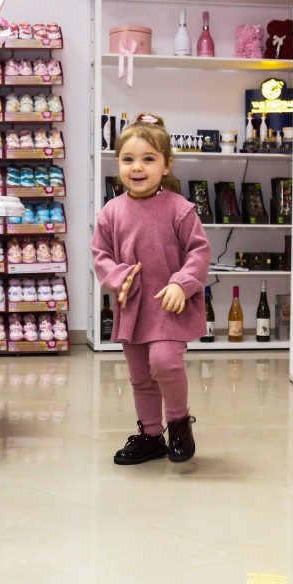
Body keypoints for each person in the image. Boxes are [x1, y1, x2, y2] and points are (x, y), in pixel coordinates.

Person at [92, 113, 210, 464]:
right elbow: (101, 255)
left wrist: (182, 284)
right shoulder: (111, 212)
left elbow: (199, 252)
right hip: (133, 307)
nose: (137, 167)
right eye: (128, 159)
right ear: (118, 163)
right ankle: (150, 435)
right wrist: (117, 277)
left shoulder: (180, 209)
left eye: (148, 159)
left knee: (165, 363)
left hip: (171, 306)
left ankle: (178, 424)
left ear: (166, 165)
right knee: (141, 375)